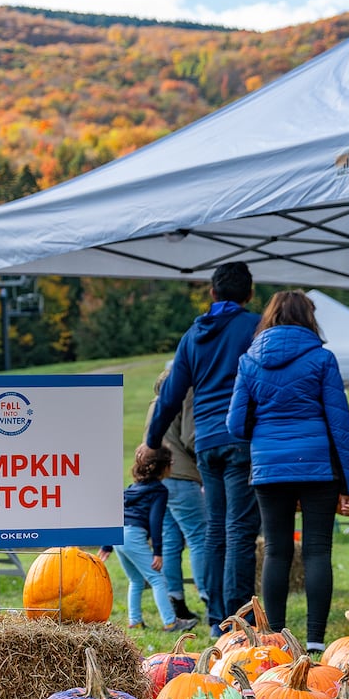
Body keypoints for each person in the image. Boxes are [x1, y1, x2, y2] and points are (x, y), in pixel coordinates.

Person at [227, 290, 349, 652]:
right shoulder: (321, 358)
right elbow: (340, 425)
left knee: (275, 551)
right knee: (318, 550)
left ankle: (276, 640)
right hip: (318, 466)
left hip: (270, 468)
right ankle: (316, 640)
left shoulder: (249, 361)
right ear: (308, 317)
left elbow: (236, 424)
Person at [141, 261, 262, 636]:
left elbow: (171, 394)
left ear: (212, 294)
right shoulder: (255, 327)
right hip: (241, 437)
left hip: (206, 442)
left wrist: (151, 440)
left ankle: (216, 618)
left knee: (215, 532)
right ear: (250, 293)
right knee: (240, 530)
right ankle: (239, 621)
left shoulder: (193, 335)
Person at [101, 445, 193, 632]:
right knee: (157, 579)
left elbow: (117, 513)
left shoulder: (131, 488)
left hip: (119, 536)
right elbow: (155, 522)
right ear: (163, 467)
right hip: (134, 536)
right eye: (171, 463)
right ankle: (171, 622)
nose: (172, 466)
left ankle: (135, 621)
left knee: (135, 580)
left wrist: (108, 543)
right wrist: (158, 552)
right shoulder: (159, 490)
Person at [144, 369, 207, 628]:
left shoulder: (155, 402)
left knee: (171, 541)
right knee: (200, 536)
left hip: (159, 479)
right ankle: (210, 597)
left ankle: (176, 600)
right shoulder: (186, 395)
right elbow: (191, 438)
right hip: (181, 476)